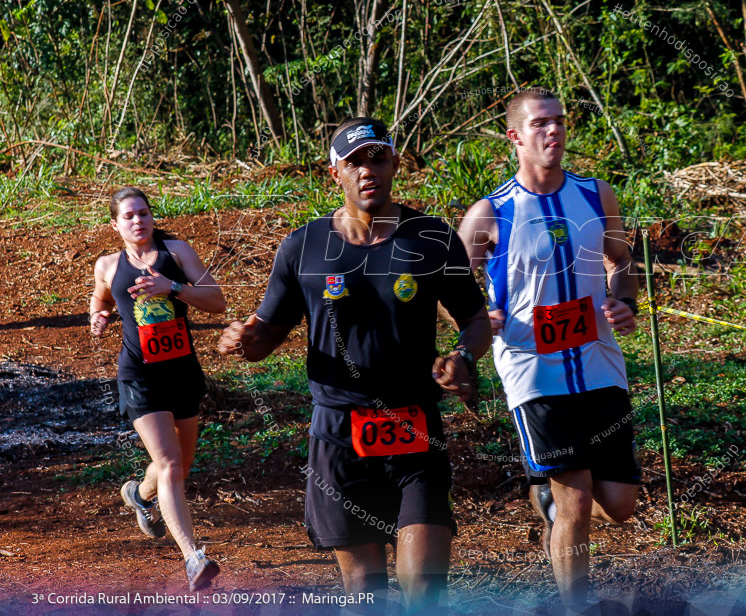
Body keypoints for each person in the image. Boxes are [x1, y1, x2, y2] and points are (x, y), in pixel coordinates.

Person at [217, 117, 491, 613]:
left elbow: (476, 319)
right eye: (354, 162)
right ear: (334, 174)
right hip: (340, 437)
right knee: (366, 596)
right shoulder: (304, 247)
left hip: (414, 429)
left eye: (377, 158)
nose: (368, 170)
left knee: (425, 591)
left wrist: (464, 357)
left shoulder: (431, 239)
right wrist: (244, 339)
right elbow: (267, 337)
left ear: (395, 165)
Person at [457, 88, 640, 612]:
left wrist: (623, 300)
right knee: (576, 499)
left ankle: (549, 507)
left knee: (619, 505)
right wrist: (477, 318)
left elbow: (622, 262)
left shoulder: (596, 195)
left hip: (599, 359)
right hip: (532, 368)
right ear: (514, 136)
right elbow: (451, 285)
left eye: (559, 121)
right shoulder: (489, 213)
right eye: (540, 124)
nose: (553, 131)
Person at [90, 187, 226, 591]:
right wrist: (98, 318)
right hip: (139, 375)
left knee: (178, 467)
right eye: (128, 216)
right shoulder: (108, 265)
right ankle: (193, 557)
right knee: (169, 464)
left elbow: (217, 301)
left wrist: (174, 288)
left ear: (152, 217)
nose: (138, 221)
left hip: (182, 372)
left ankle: (139, 494)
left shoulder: (177, 252)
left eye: (144, 213)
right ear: (115, 224)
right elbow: (100, 302)